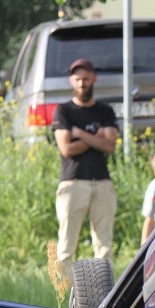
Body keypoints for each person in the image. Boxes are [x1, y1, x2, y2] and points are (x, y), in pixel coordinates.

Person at [51, 57, 119, 279]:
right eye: (78, 79)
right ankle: (64, 292)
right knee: (66, 246)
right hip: (73, 182)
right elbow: (66, 149)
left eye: (86, 79)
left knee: (104, 245)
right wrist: (94, 137)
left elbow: (109, 145)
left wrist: (79, 133)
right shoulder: (63, 111)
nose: (82, 83)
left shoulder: (105, 111)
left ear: (94, 79)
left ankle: (104, 292)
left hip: (102, 182)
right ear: (72, 81)